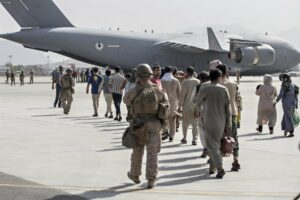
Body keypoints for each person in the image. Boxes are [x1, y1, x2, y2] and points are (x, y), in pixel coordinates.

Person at [123, 64, 169, 189]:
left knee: (137, 151)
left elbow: (126, 101)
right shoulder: (157, 89)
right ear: (150, 75)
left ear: (137, 76)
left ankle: (135, 175)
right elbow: (165, 104)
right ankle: (151, 179)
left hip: (139, 125)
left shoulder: (133, 91)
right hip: (154, 124)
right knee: (152, 153)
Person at [195, 69, 231, 178]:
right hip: (221, 121)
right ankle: (212, 168)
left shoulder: (204, 88)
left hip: (208, 120)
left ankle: (219, 168)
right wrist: (228, 124)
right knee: (216, 145)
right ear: (219, 77)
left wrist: (200, 112)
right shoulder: (224, 89)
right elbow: (227, 109)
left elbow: (197, 103)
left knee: (212, 146)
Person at [216, 64, 241, 172]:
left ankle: (220, 163)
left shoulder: (216, 85)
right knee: (234, 137)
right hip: (233, 114)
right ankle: (236, 160)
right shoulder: (233, 84)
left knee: (219, 139)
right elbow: (238, 100)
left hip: (220, 114)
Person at [178, 66, 200, 145]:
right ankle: (194, 139)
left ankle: (184, 137)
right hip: (195, 104)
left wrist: (179, 105)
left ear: (187, 72)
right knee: (195, 123)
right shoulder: (198, 81)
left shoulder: (185, 82)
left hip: (186, 104)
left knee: (185, 122)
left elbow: (182, 94)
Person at [161, 66, 181, 142]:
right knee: (172, 120)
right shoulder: (176, 80)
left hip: (163, 103)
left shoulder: (161, 81)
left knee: (163, 119)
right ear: (172, 71)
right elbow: (179, 93)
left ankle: (165, 131)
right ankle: (171, 136)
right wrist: (180, 104)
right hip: (173, 103)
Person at [194, 71, 210, 158]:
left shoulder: (198, 87)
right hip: (214, 112)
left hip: (202, 112)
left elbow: (194, 100)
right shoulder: (216, 86)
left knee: (202, 131)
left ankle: (205, 148)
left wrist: (196, 110)